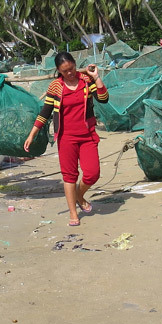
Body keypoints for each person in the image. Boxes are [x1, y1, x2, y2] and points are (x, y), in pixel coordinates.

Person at [24, 52, 109, 226]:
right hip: (66, 137)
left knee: (92, 173)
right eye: (65, 71)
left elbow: (104, 99)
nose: (69, 73)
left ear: (74, 64)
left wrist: (96, 78)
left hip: (87, 135)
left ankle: (79, 195)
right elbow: (45, 112)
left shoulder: (86, 80)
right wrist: (32, 134)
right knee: (69, 176)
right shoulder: (55, 86)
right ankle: (73, 213)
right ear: (58, 70)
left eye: (71, 69)